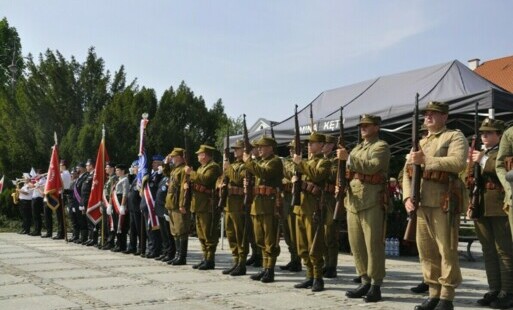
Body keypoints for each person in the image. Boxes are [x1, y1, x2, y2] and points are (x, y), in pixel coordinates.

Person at [403, 101, 468, 310]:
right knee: (426, 251)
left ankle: (447, 296)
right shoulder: (421, 141)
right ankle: (433, 293)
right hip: (421, 202)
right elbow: (406, 172)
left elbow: (458, 162)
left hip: (443, 200)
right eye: (427, 114)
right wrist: (406, 197)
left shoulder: (454, 136)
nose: (428, 116)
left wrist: (426, 160)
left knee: (446, 249)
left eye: (434, 113)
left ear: (445, 117)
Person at [338, 114, 390, 302]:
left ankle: (376, 285)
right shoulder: (358, 148)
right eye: (361, 125)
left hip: (372, 200)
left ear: (377, 127)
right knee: (357, 245)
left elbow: (373, 167)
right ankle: (364, 280)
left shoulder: (381, 146)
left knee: (373, 245)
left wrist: (349, 158)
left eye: (367, 125)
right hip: (353, 201)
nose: (363, 128)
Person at [470, 118, 513, 308]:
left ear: (499, 135)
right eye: (482, 133)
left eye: (489, 132)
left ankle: (508, 291)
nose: (484, 136)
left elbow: (501, 170)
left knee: (504, 250)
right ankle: (494, 288)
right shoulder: (482, 153)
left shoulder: (501, 152)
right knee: (488, 250)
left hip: (498, 203)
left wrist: (482, 160)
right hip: (480, 204)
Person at [292, 132, 331, 292]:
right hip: (300, 207)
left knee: (314, 246)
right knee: (302, 246)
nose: (309, 145)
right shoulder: (305, 162)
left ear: (321, 145)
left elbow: (317, 175)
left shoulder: (324, 162)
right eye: (308, 143)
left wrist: (300, 164)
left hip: (313, 209)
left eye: (312, 143)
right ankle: (309, 275)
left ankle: (318, 278)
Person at [243, 135, 283, 283]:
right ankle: (264, 267)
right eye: (258, 146)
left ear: (270, 148)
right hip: (257, 205)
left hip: (269, 206)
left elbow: (263, 173)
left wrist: (249, 161)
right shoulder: (260, 162)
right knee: (259, 239)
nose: (258, 149)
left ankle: (270, 270)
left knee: (270, 240)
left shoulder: (275, 161)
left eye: (262, 146)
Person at [185, 145, 222, 270]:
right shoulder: (201, 167)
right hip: (199, 205)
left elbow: (206, 180)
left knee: (209, 233)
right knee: (201, 234)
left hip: (208, 205)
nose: (198, 156)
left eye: (199, 154)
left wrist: (191, 173)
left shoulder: (213, 167)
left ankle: (210, 259)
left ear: (205, 155)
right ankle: (205, 257)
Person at [221, 139, 249, 276]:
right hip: (229, 204)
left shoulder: (246, 165)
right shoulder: (233, 165)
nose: (235, 151)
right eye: (235, 149)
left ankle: (242, 263)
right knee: (231, 234)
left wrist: (228, 168)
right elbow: (222, 179)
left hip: (239, 205)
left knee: (240, 235)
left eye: (238, 149)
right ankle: (235, 260)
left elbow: (238, 179)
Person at [279, 140, 302, 272]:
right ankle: (293, 258)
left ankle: (297, 260)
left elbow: (293, 173)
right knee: (287, 232)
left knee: (294, 232)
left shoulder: (300, 163)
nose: (290, 151)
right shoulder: (287, 163)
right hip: (286, 198)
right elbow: (285, 174)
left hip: (295, 199)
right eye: (290, 149)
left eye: (293, 149)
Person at [165, 148, 191, 265]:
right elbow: (166, 173)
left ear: (180, 157)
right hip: (171, 203)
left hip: (177, 204)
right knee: (175, 231)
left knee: (181, 230)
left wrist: (182, 204)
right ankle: (177, 254)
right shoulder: (175, 170)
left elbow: (183, 189)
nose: (172, 158)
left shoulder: (183, 170)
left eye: (174, 156)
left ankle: (182, 256)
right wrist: (166, 163)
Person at [322, 134, 340, 278]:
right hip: (320, 199)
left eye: (326, 144)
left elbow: (334, 174)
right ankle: (325, 263)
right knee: (321, 234)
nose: (323, 146)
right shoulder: (320, 159)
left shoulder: (335, 160)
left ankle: (331, 266)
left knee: (330, 235)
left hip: (331, 200)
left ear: (331, 146)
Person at [140, 155, 165, 258]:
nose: (153, 164)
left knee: (155, 229)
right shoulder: (150, 175)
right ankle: (151, 248)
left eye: (156, 163)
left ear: (160, 164)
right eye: (153, 163)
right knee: (149, 229)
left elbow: (156, 186)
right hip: (147, 206)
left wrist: (159, 174)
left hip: (154, 206)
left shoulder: (161, 175)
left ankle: (156, 250)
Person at [154, 159, 176, 262]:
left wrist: (167, 210)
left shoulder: (171, 179)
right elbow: (155, 184)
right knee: (163, 233)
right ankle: (165, 251)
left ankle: (170, 253)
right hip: (159, 208)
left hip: (165, 208)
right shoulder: (164, 178)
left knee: (168, 233)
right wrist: (158, 174)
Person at [111, 164, 130, 252]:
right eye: (116, 170)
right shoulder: (118, 180)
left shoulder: (125, 180)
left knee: (121, 225)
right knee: (116, 224)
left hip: (120, 202)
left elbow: (125, 194)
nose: (116, 172)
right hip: (116, 202)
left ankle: (122, 245)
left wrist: (122, 205)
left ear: (123, 171)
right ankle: (118, 243)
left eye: (118, 170)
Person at [125, 160, 142, 255]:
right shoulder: (135, 178)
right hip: (132, 207)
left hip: (137, 207)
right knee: (132, 228)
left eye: (134, 167)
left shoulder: (140, 178)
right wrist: (131, 175)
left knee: (139, 228)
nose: (132, 168)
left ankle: (141, 247)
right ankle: (132, 246)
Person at [101, 162, 118, 250]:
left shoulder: (114, 178)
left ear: (112, 168)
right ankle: (106, 241)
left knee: (111, 223)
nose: (105, 169)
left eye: (107, 167)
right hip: (106, 203)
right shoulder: (109, 178)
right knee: (106, 223)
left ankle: (110, 241)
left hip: (110, 203)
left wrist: (109, 204)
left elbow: (112, 193)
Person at [81, 159, 96, 246]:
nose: (86, 167)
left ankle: (93, 238)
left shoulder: (94, 175)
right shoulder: (87, 175)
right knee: (88, 221)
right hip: (86, 201)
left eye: (87, 165)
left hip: (91, 201)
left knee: (92, 220)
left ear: (91, 166)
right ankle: (90, 238)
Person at [30, 171, 45, 236]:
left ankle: (38, 231)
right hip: (34, 198)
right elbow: (32, 187)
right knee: (35, 216)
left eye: (38, 174)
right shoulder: (38, 180)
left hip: (38, 199)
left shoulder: (42, 180)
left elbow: (33, 186)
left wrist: (35, 184)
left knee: (37, 215)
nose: (36, 175)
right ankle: (36, 229)